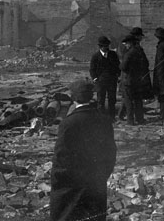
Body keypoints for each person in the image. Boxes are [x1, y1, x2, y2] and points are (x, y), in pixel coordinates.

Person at [50, 79, 117, 221]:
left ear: (73, 98)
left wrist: (58, 178)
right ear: (91, 96)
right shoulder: (104, 120)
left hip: (71, 185)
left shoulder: (68, 123)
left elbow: (61, 156)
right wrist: (103, 174)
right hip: (96, 182)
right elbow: (111, 152)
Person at [120, 33, 152, 125]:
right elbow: (146, 64)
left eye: (126, 43)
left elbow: (123, 67)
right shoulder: (140, 52)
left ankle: (130, 120)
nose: (125, 45)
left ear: (130, 43)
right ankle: (140, 119)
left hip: (128, 81)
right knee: (138, 101)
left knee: (129, 101)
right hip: (138, 81)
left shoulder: (128, 53)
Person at [89, 35, 120, 120]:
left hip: (112, 81)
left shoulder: (113, 55)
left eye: (107, 46)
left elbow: (118, 66)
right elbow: (92, 69)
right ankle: (101, 118)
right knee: (100, 100)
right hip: (100, 82)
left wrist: (118, 76)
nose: (106, 48)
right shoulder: (95, 56)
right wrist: (95, 79)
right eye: (104, 46)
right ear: (100, 47)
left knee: (112, 100)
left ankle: (112, 117)